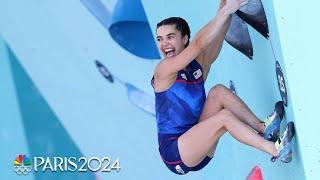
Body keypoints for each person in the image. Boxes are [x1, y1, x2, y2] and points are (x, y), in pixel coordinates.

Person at [151, 0, 295, 175]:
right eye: (160, 39)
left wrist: (226, 6)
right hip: (176, 152)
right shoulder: (162, 71)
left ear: (184, 39)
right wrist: (225, 10)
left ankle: (264, 128)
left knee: (218, 92)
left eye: (170, 37)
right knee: (224, 118)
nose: (164, 43)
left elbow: (218, 32)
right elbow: (199, 44)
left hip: (199, 140)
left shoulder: (197, 67)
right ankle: (276, 150)